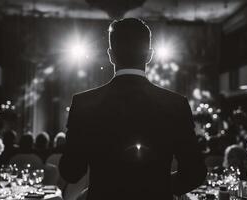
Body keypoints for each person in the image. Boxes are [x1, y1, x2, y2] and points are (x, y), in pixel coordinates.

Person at [59, 18, 207, 200]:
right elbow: (195, 172)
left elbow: (71, 172)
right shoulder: (176, 104)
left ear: (111, 55)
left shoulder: (84, 103)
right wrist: (159, 187)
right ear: (149, 55)